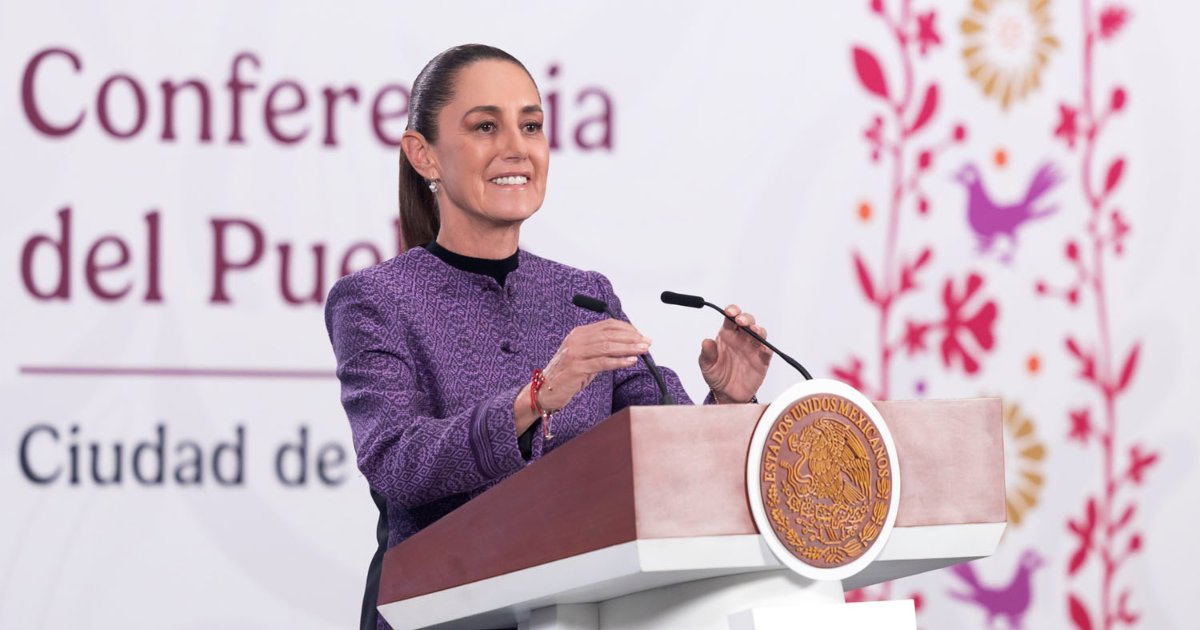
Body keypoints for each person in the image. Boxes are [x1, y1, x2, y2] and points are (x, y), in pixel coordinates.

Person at [324, 44, 773, 630]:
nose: (517, 147)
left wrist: (727, 403)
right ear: (423, 155)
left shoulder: (583, 293)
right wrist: (533, 399)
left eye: (531, 125)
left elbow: (665, 458)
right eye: (486, 126)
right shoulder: (375, 300)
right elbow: (397, 465)